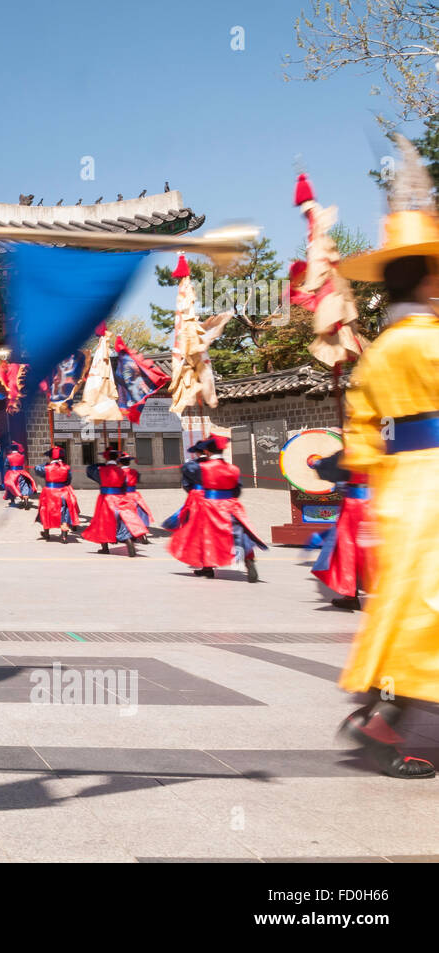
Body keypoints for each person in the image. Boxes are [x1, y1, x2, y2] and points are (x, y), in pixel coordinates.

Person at [332, 180, 439, 779]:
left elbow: (363, 437)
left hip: (399, 491)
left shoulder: (380, 352)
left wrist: (375, 487)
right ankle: (411, 737)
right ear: (426, 280)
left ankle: (383, 708)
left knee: (409, 604)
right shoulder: (433, 344)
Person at [166, 434, 266, 581]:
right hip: (231, 504)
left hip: (210, 505)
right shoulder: (233, 468)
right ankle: (249, 560)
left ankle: (208, 567)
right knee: (239, 533)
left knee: (206, 536)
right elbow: (237, 490)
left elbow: (190, 477)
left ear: (207, 451)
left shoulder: (201, 467)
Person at [309, 450, 371, 611]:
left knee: (348, 548)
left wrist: (316, 462)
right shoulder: (388, 446)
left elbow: (334, 469)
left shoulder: (355, 448)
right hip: (382, 501)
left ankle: (350, 595)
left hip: (356, 504)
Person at [82, 447, 146, 556]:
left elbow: (89, 470)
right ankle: (127, 540)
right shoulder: (122, 471)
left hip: (106, 499)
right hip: (120, 498)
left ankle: (105, 547)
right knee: (123, 521)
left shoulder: (100, 471)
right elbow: (124, 486)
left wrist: (102, 464)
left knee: (102, 522)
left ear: (106, 458)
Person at [34, 445, 80, 542]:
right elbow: (68, 481)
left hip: (49, 493)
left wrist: (47, 463)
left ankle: (46, 533)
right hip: (63, 492)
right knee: (64, 512)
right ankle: (64, 536)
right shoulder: (66, 467)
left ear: (51, 457)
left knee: (45, 511)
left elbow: (36, 469)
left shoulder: (46, 468)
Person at [162, 441, 206, 531]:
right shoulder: (219, 464)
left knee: (191, 515)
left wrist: (191, 490)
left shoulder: (190, 465)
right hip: (216, 495)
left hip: (197, 494)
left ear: (197, 452)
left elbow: (186, 483)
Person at [119, 452, 152, 544]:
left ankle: (125, 534)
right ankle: (143, 535)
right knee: (139, 514)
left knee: (124, 515)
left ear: (120, 463)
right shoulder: (135, 472)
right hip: (135, 495)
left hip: (124, 495)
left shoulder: (119, 472)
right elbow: (138, 480)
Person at [1, 441, 37, 508]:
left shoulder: (8, 457)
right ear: (17, 449)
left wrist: (6, 474)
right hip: (21, 472)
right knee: (24, 485)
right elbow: (23, 463)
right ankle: (26, 498)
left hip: (12, 474)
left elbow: (6, 466)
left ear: (11, 449)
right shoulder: (22, 456)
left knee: (11, 486)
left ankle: (12, 500)